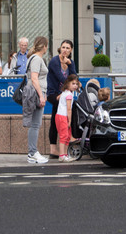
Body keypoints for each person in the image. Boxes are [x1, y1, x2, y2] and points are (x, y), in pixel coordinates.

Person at [46, 39, 77, 159]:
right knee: (57, 116)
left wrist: (70, 64)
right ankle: (54, 148)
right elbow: (63, 79)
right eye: (63, 47)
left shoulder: (71, 62)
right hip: (54, 94)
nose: (65, 50)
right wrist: (64, 93)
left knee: (57, 117)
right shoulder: (54, 61)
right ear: (60, 48)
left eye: (67, 48)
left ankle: (58, 147)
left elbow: (74, 77)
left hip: (63, 95)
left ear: (71, 50)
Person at [22, 36, 49, 164]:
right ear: (44, 46)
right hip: (36, 92)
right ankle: (32, 152)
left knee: (35, 124)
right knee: (35, 124)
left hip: (35, 92)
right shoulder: (37, 59)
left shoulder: (32, 58)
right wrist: (41, 95)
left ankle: (32, 152)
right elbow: (34, 78)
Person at [56, 74, 80, 162]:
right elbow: (69, 109)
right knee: (64, 136)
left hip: (59, 116)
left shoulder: (64, 93)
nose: (75, 86)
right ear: (68, 84)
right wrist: (69, 120)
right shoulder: (69, 95)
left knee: (66, 136)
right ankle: (62, 155)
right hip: (64, 116)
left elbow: (58, 98)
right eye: (73, 83)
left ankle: (64, 155)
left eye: (76, 84)